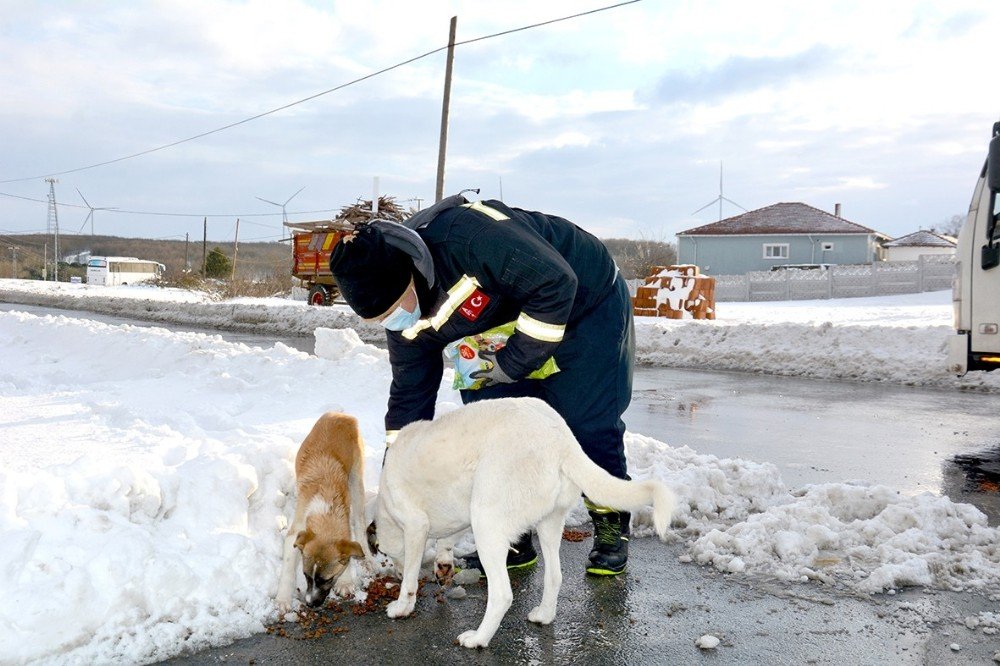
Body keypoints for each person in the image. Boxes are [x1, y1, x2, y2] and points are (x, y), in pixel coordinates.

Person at [329, 193, 635, 575]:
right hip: (500, 325)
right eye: (382, 321)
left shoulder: (470, 239)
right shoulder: (407, 323)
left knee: (584, 419)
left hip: (581, 307)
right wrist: (397, 478)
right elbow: (409, 399)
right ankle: (512, 533)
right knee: (494, 429)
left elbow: (556, 284)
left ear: (412, 275)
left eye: (394, 311)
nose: (395, 323)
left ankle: (610, 520)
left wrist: (510, 364)